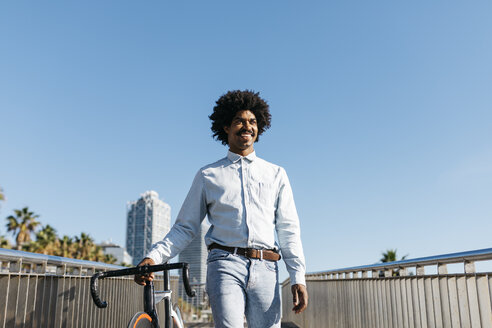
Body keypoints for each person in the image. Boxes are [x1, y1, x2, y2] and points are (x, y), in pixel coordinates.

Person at [134, 90, 308, 328]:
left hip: (267, 266)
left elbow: (289, 230)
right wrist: (153, 257)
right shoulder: (208, 175)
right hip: (224, 263)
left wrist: (298, 276)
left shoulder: (276, 174)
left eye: (253, 121)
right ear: (226, 126)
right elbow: (185, 227)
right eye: (239, 121)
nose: (247, 126)